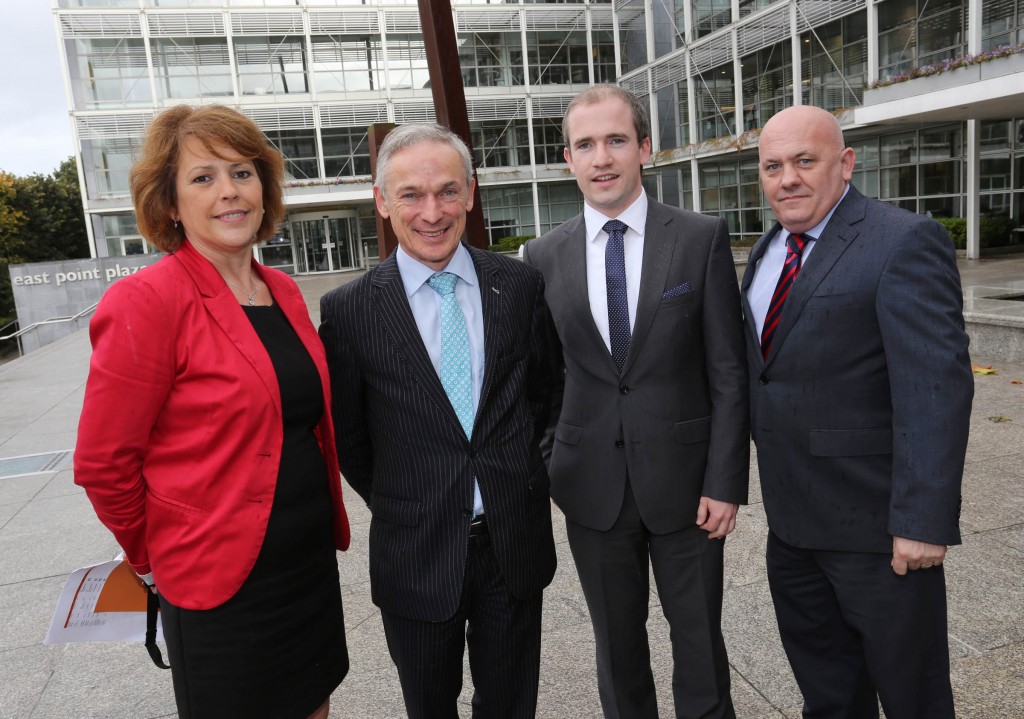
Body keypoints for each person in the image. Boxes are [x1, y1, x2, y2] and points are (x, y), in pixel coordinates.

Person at [74, 104, 351, 719]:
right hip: (217, 583)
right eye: (203, 178)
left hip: (304, 565)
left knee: (314, 705)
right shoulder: (147, 302)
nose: (229, 191)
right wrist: (154, 561)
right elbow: (103, 463)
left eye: (242, 172)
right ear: (170, 204)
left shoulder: (280, 290)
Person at [522, 84, 748, 719]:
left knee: (700, 643)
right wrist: (554, 465)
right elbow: (543, 381)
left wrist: (725, 479)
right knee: (617, 652)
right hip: (591, 488)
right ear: (567, 158)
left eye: (616, 140)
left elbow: (727, 371)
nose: (602, 158)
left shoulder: (700, 238)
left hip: (689, 489)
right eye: (585, 144)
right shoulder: (542, 256)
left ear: (645, 148)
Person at [742, 104, 973, 718]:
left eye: (804, 161)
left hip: (879, 536)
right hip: (792, 532)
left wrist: (922, 519)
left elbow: (936, 389)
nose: (787, 178)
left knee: (912, 698)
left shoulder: (902, 240)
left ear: (844, 164)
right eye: (772, 166)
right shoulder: (766, 251)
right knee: (829, 697)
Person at [319, 123, 556, 719]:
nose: (432, 212)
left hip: (512, 547)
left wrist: (522, 480)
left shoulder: (519, 284)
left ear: (471, 194)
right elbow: (350, 438)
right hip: (416, 552)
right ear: (381, 202)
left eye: (448, 191)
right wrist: (412, 497)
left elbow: (546, 398)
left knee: (510, 706)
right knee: (429, 707)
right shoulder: (348, 311)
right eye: (411, 195)